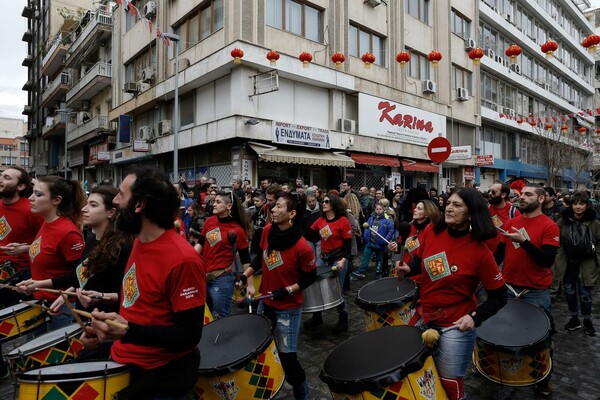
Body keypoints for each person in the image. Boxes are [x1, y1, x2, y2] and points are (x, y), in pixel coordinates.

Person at [87, 166, 206, 399]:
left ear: (139, 204)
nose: (115, 202)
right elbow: (139, 303)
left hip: (159, 380)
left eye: (121, 195)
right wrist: (103, 330)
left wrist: (126, 332)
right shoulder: (138, 242)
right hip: (123, 365)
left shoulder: (183, 259)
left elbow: (189, 335)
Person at [395, 188, 507, 400]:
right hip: (424, 314)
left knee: (450, 386)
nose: (449, 208)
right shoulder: (431, 232)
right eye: (449, 203)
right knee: (418, 376)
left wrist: (474, 317)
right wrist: (409, 269)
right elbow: (420, 260)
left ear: (471, 213)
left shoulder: (481, 252)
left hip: (455, 324)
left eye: (457, 205)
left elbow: (499, 296)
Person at [18, 186, 134, 359]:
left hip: (110, 327)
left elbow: (129, 294)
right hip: (88, 322)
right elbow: (80, 277)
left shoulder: (126, 247)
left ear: (110, 212)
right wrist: (45, 286)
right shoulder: (92, 240)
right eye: (86, 204)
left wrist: (101, 296)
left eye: (93, 205)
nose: (84, 209)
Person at [238, 193, 316, 399]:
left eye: (278, 206)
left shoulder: (302, 247)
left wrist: (289, 290)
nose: (272, 209)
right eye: (273, 206)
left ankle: (303, 395)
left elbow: (310, 277)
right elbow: (259, 260)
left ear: (291, 213)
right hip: (266, 303)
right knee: (263, 349)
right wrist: (244, 275)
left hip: (288, 310)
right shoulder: (266, 232)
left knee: (288, 359)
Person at [494, 184, 560, 397]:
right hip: (509, 289)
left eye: (528, 195)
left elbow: (546, 260)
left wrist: (524, 242)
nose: (522, 197)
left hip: (536, 292)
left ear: (540, 199)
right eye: (521, 194)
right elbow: (499, 255)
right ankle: (504, 373)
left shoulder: (550, 226)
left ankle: (543, 379)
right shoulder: (511, 223)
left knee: (540, 339)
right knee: (505, 333)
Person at [18, 176, 86, 330]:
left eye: (38, 194)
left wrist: (40, 284)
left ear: (56, 200)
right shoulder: (47, 222)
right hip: (42, 302)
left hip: (62, 307)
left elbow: (80, 275)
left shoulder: (67, 232)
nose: (30, 198)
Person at [199, 191, 251, 318]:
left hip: (221, 280)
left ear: (229, 206)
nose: (214, 204)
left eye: (218, 202)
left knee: (221, 318)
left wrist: (249, 284)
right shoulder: (210, 221)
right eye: (214, 201)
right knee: (205, 316)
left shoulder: (237, 230)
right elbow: (200, 244)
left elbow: (245, 260)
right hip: (203, 277)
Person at [305, 194, 352, 333]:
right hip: (323, 258)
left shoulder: (343, 221)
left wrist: (343, 260)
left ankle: (344, 320)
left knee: (338, 290)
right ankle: (317, 317)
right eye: (323, 201)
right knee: (316, 286)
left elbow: (348, 244)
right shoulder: (320, 220)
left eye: (326, 201)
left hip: (338, 259)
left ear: (334, 204)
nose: (323, 203)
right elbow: (308, 234)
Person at [554, 192, 599, 336]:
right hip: (568, 262)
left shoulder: (594, 223)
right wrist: (557, 259)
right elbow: (557, 241)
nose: (578, 207)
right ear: (571, 205)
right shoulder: (563, 221)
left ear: (587, 205)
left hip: (586, 263)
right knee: (569, 292)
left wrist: (596, 256)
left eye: (581, 204)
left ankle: (587, 320)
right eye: (575, 204)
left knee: (585, 293)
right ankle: (574, 318)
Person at [0, 167, 44, 296]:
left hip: (20, 274)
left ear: (21, 186)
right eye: (1, 176)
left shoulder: (31, 209)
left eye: (7, 178)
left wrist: (25, 248)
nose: (0, 180)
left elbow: (49, 242)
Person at [353, 203, 394, 280]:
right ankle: (361, 272)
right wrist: (366, 237)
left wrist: (385, 240)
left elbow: (391, 231)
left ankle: (378, 273)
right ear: (375, 210)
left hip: (380, 244)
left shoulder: (387, 220)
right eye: (377, 209)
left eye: (380, 209)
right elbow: (367, 228)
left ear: (383, 210)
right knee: (365, 257)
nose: (378, 211)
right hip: (370, 243)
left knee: (379, 260)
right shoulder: (371, 218)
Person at [486, 182, 520, 253]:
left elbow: (520, 236)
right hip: (487, 252)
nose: (489, 194)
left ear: (503, 195)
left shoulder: (513, 212)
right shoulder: (486, 209)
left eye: (493, 192)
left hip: (505, 253)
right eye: (489, 191)